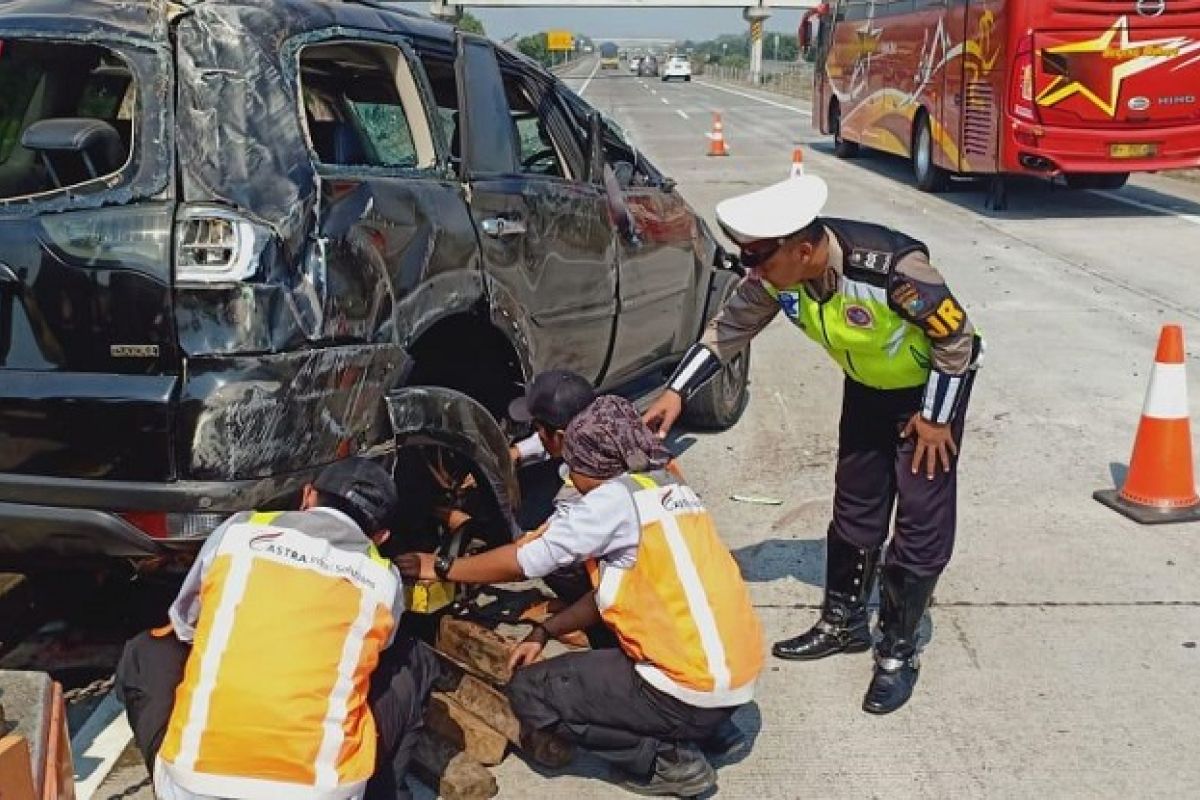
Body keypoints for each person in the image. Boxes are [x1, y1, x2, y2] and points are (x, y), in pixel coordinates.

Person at [643, 166, 983, 715]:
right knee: (856, 500)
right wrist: (677, 393)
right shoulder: (778, 279)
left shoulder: (895, 271)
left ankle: (897, 652)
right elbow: (727, 330)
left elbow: (956, 337)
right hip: (869, 387)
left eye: (758, 258)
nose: (750, 271)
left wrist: (937, 419)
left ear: (802, 249)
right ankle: (843, 621)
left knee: (921, 518)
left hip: (929, 394)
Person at [398, 396, 764, 797]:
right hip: (735, 677)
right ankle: (713, 729)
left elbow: (529, 560)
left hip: (689, 686)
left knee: (530, 692)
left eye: (574, 466)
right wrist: (547, 630)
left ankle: (665, 757)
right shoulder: (664, 480)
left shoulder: (610, 501)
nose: (571, 475)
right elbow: (616, 593)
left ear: (593, 463)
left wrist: (442, 567)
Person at [115, 458, 439, 800]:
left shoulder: (238, 532)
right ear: (381, 536)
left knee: (146, 650)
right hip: (321, 791)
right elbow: (377, 654)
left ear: (308, 496)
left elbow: (185, 624)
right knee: (414, 659)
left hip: (192, 789)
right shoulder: (382, 579)